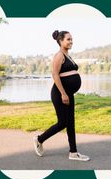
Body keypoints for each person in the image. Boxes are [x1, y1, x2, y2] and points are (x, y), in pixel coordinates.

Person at [33, 30, 90, 161]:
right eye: (68, 39)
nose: (71, 41)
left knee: (71, 123)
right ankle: (39, 139)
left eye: (71, 39)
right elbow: (55, 74)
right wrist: (63, 93)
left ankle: (73, 153)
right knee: (63, 122)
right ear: (61, 41)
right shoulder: (59, 56)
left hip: (68, 93)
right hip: (60, 93)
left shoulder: (68, 55)